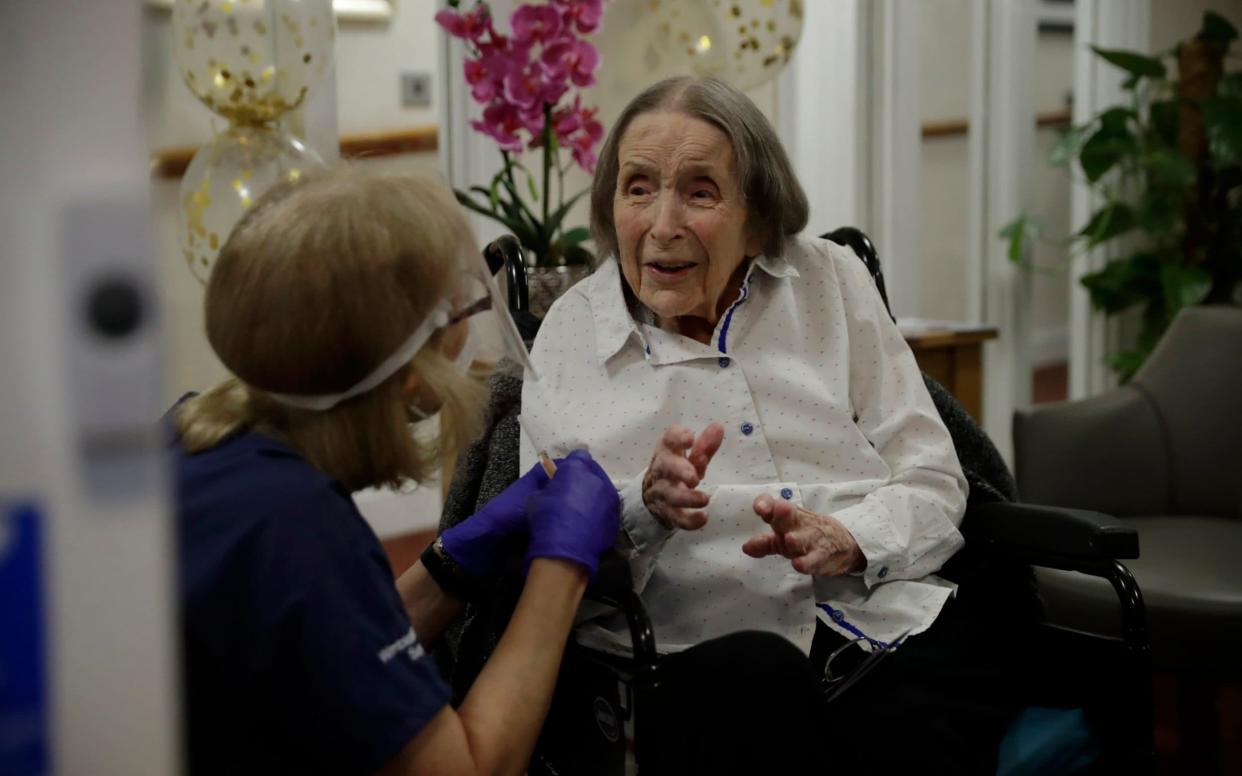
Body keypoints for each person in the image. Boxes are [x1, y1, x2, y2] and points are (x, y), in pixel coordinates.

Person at [521, 76, 1028, 773]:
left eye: (699, 191)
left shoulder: (830, 281)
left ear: (758, 219)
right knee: (763, 689)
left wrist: (853, 538)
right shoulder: (569, 334)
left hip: (874, 620)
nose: (662, 224)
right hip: (695, 653)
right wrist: (644, 506)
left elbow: (933, 473)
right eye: (638, 187)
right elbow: (543, 545)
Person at [172, 167, 620, 776]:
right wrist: (561, 569)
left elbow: (334, 651)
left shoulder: (194, 437)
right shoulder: (297, 524)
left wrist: (450, 565)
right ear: (411, 374)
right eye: (462, 314)